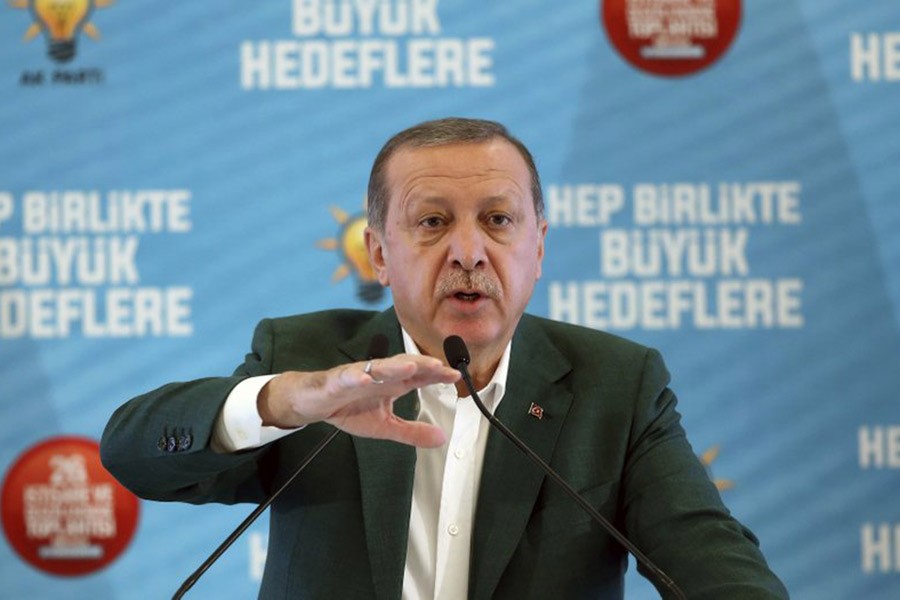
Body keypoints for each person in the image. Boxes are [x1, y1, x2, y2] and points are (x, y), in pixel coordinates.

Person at [101, 117, 789, 599]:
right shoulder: (307, 358)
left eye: (498, 219)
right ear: (377, 253)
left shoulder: (619, 385)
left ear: (537, 246)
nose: (468, 251)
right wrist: (285, 401)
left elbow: (711, 563)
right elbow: (130, 451)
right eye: (433, 221)